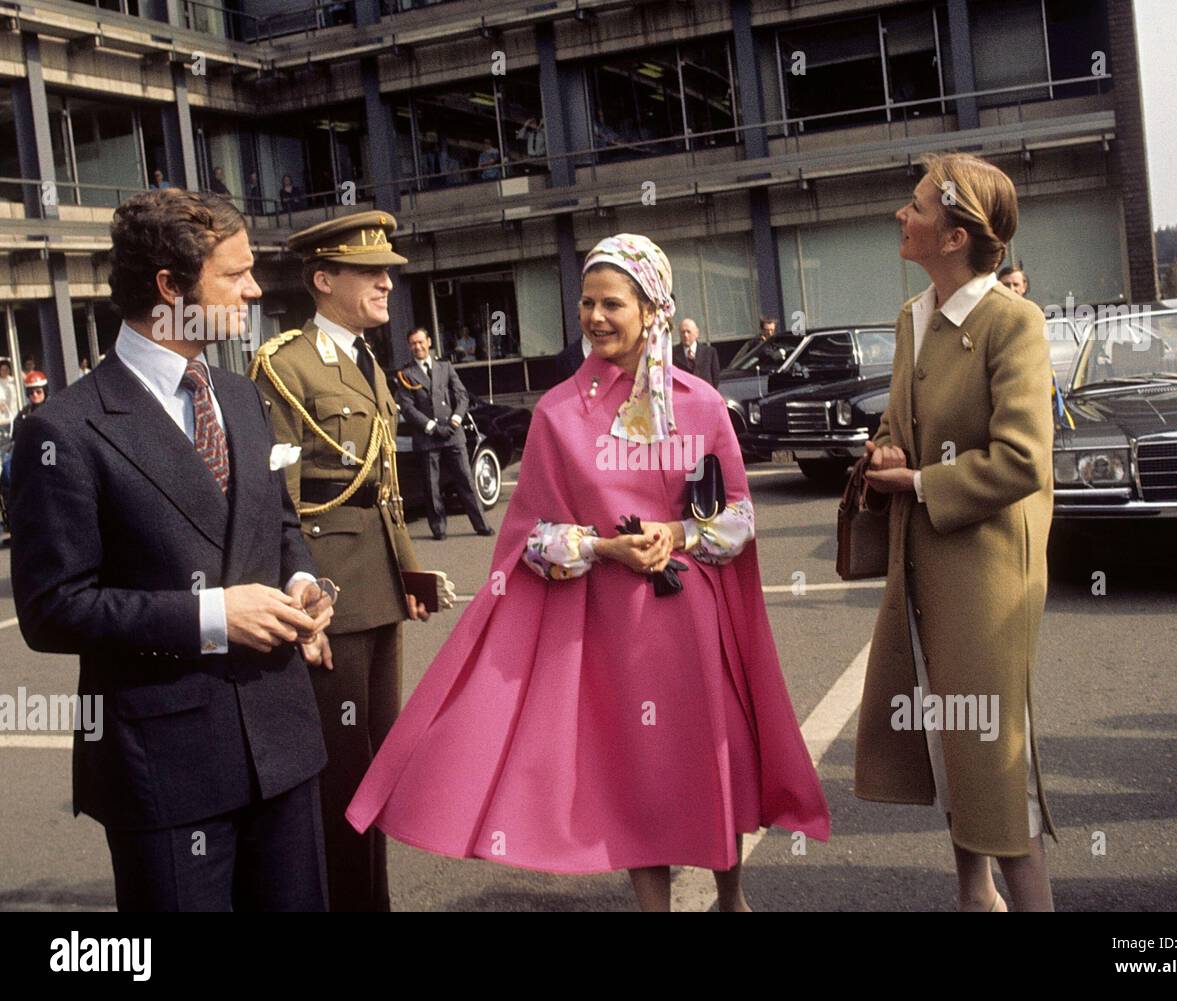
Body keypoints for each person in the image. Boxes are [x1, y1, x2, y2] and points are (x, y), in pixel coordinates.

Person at [346, 233, 830, 911]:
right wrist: (605, 548)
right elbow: (529, 542)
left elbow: (741, 519)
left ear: (652, 309)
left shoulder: (700, 405)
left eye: (612, 304)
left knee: (710, 761)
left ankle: (733, 896)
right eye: (585, 303)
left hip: (695, 623)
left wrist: (678, 532)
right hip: (614, 632)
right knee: (639, 775)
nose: (594, 317)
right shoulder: (557, 413)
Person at [9, 189, 333, 911]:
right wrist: (212, 615)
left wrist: (305, 580)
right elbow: (53, 609)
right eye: (236, 274)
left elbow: (277, 525)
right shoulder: (65, 429)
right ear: (171, 288)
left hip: (282, 747)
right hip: (166, 773)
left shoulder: (240, 396)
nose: (255, 289)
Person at [854, 153, 1056, 912]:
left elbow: (1024, 459)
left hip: (989, 574)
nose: (901, 216)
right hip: (923, 563)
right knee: (948, 735)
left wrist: (920, 482)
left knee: (997, 753)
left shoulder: (1015, 322)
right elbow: (898, 421)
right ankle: (975, 895)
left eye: (915, 206)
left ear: (955, 233)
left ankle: (1024, 899)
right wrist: (886, 449)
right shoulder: (913, 317)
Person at [248, 210, 450, 912]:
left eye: (388, 272)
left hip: (380, 589)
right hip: (332, 596)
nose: (386, 283)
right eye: (370, 272)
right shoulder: (286, 364)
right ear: (323, 278)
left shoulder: (365, 361)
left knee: (379, 763)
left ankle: (371, 899)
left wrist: (409, 571)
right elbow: (281, 498)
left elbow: (385, 487)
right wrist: (304, 601)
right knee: (342, 776)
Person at [395, 327, 493, 540]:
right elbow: (407, 407)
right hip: (427, 438)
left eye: (421, 342)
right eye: (413, 343)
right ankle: (438, 529)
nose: (417, 347)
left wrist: (456, 420)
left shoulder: (444, 366)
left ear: (429, 342)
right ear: (409, 346)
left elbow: (462, 395)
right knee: (431, 487)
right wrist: (431, 426)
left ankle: (481, 524)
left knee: (466, 481)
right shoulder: (406, 374)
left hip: (453, 434)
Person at [672, 317, 720, 388]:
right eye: (683, 332)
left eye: (688, 332)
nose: (685, 335)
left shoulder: (709, 353)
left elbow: (716, 378)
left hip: (705, 395)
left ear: (696, 333)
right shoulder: (673, 353)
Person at [0, 359, 17, 425]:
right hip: (3, 417)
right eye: (2, 369)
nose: (4, 371)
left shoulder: (13, 380)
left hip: (15, 413)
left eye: (6, 369)